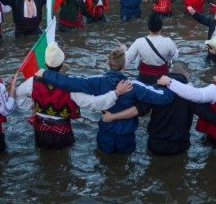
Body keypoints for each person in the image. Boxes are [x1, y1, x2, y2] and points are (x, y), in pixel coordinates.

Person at [36, 48, 176, 154]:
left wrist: (44, 73)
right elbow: (164, 97)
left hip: (105, 132)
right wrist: (173, 83)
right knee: (125, 166)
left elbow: (69, 81)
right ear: (125, 65)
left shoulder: (96, 81)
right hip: (126, 135)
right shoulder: (134, 85)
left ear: (108, 62)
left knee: (104, 162)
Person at [104, 61, 216, 155]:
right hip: (180, 145)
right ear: (187, 74)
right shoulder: (192, 94)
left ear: (169, 72)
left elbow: (136, 111)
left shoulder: (156, 89)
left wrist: (112, 116)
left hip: (155, 144)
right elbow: (210, 116)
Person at [15, 42, 132, 149]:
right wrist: (115, 94)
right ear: (62, 65)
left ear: (45, 63)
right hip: (62, 132)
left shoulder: (32, 81)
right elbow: (93, 103)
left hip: (40, 131)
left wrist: (32, 105)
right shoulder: (71, 85)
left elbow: (18, 96)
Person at [122, 12, 178, 85]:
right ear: (161, 27)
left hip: (143, 80)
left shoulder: (139, 42)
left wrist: (124, 51)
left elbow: (126, 61)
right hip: (162, 80)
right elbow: (174, 58)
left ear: (148, 27)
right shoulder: (168, 42)